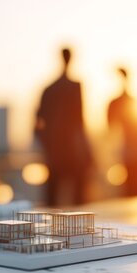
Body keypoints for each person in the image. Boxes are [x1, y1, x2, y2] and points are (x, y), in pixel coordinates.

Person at [35, 48, 92, 205]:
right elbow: (80, 122)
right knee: (78, 201)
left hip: (56, 151)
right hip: (71, 150)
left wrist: (47, 144)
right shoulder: (74, 87)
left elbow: (37, 123)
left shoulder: (49, 89)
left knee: (53, 201)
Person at [107, 67, 137, 196]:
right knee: (135, 186)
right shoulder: (120, 102)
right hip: (130, 151)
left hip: (136, 151)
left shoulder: (129, 102)